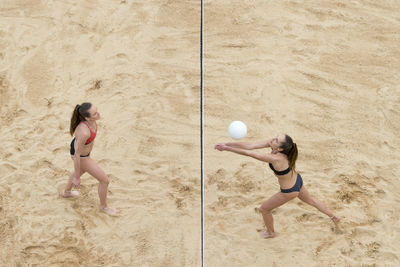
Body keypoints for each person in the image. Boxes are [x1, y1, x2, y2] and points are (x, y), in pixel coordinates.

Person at [214, 134, 340, 239]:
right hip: (297, 180)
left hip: (289, 191)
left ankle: (270, 233)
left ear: (280, 149)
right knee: (311, 200)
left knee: (264, 209)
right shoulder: (276, 146)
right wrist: (227, 143)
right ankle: (334, 217)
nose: (272, 139)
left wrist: (227, 149)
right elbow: (250, 145)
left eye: (276, 140)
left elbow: (250, 154)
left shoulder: (277, 159)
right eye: (276, 137)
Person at [61, 102, 119, 216]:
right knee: (104, 180)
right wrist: (77, 177)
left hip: (84, 153)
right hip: (82, 156)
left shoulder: (91, 122)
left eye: (96, 111)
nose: (98, 114)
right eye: (95, 114)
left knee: (82, 169)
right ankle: (104, 207)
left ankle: (66, 192)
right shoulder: (84, 132)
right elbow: (77, 155)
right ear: (87, 118)